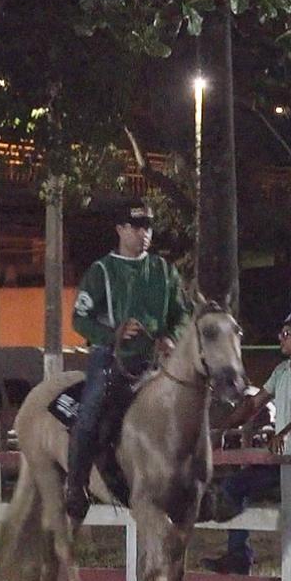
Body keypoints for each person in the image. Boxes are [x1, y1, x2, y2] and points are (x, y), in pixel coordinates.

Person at [67, 198, 187, 522]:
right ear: (120, 229)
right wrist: (113, 334)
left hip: (155, 362)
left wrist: (172, 336)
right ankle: (75, 484)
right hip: (110, 358)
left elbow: (182, 313)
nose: (144, 233)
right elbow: (79, 319)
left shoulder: (164, 271)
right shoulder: (101, 271)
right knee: (90, 409)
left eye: (147, 226)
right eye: (136, 226)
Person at [202, 310, 291, 578]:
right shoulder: (281, 371)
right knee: (234, 487)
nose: (281, 338)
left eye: (287, 334)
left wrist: (283, 433)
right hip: (281, 459)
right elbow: (254, 402)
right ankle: (239, 556)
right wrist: (223, 428)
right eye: (281, 333)